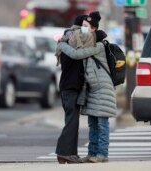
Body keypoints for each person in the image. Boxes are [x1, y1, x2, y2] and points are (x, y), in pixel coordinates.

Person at [56, 11, 117, 163]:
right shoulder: (83, 40)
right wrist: (63, 43)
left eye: (85, 26)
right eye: (81, 26)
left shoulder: (98, 45)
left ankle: (101, 154)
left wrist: (62, 44)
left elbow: (77, 54)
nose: (82, 29)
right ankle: (90, 154)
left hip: (102, 88)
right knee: (92, 124)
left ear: (93, 29)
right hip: (91, 89)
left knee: (101, 124)